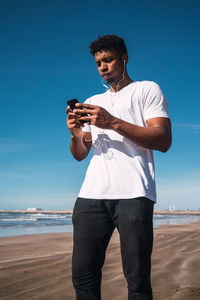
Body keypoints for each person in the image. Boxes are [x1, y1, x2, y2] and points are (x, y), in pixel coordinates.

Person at [66, 34, 172, 300]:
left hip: (134, 194)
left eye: (109, 59)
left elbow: (163, 139)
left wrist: (113, 122)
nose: (103, 66)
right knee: (83, 276)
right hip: (90, 196)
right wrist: (75, 134)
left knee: (137, 279)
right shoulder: (93, 100)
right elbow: (80, 154)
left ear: (124, 59)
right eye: (98, 62)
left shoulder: (147, 89)